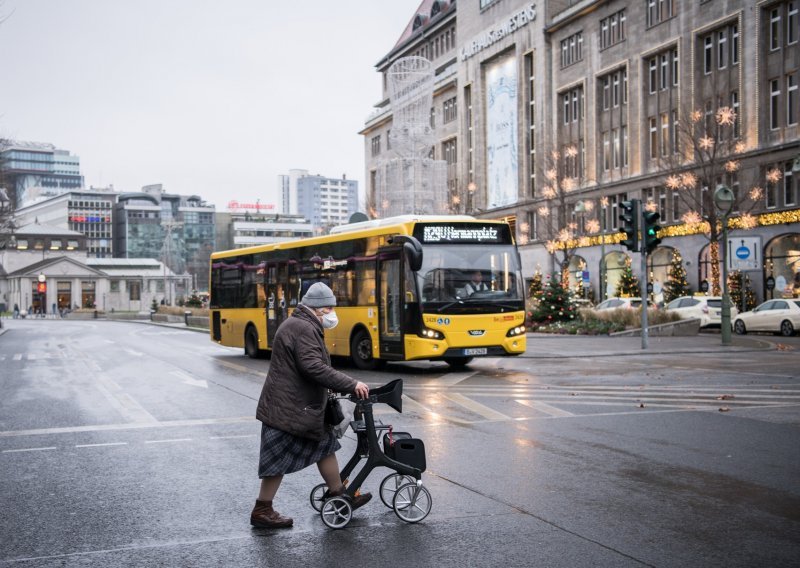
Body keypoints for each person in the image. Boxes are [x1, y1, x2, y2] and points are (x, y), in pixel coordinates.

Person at [251, 282, 370, 529]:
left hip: (290, 406)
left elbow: (312, 366)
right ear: (317, 309)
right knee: (277, 461)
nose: (332, 313)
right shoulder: (304, 328)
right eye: (329, 308)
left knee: (324, 445)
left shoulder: (300, 324)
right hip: (288, 409)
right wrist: (351, 384)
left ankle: (338, 493)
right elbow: (313, 367)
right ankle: (262, 510)